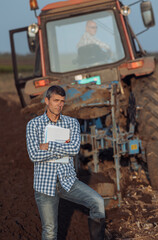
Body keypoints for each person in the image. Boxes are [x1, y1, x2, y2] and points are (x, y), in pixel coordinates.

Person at [26, 85, 106, 240]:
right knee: (50, 231)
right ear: (47, 101)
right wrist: (64, 148)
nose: (59, 105)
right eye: (56, 100)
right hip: (44, 184)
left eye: (62, 101)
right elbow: (34, 155)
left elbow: (74, 149)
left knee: (98, 202)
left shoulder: (72, 123)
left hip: (68, 181)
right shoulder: (34, 125)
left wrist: (49, 145)